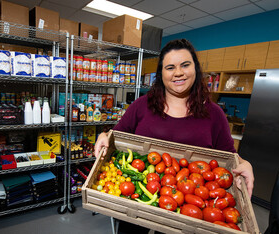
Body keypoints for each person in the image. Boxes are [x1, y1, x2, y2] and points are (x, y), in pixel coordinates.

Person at [94, 39, 254, 233]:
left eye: (185, 65)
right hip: (138, 200)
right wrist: (104, 135)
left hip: (187, 209)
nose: (178, 72)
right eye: (170, 67)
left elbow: (229, 156)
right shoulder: (141, 105)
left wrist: (244, 163)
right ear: (161, 74)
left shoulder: (214, 114)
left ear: (195, 68)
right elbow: (116, 135)